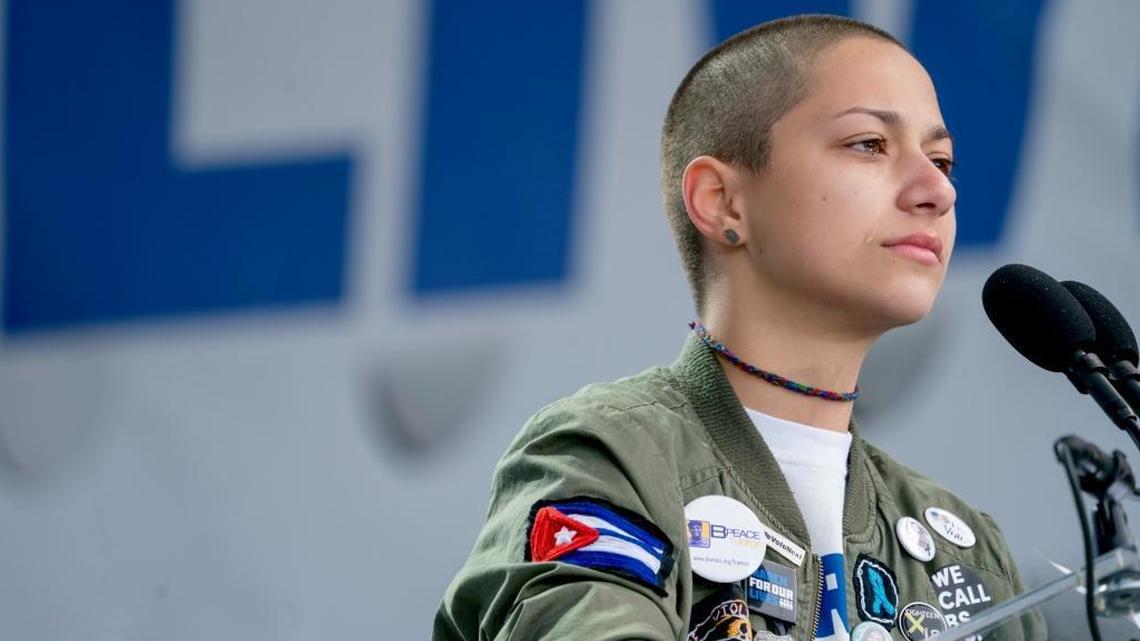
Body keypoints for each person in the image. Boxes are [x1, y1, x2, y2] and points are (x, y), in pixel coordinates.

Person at [432, 14, 1046, 641]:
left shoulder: (968, 552)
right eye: (869, 144)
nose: (937, 190)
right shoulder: (610, 459)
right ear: (722, 201)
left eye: (941, 160)